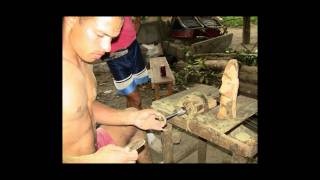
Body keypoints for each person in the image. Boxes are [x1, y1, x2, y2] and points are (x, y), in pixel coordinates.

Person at [63, 16, 166, 163]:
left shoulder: (83, 56)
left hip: (96, 148)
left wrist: (133, 118)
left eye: (111, 38)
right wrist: (94, 161)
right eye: (100, 35)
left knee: (133, 116)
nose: (107, 48)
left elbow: (85, 106)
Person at [104, 16, 147, 110]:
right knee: (136, 99)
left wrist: (137, 22)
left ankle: (131, 122)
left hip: (133, 47)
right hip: (115, 56)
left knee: (132, 96)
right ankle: (140, 121)